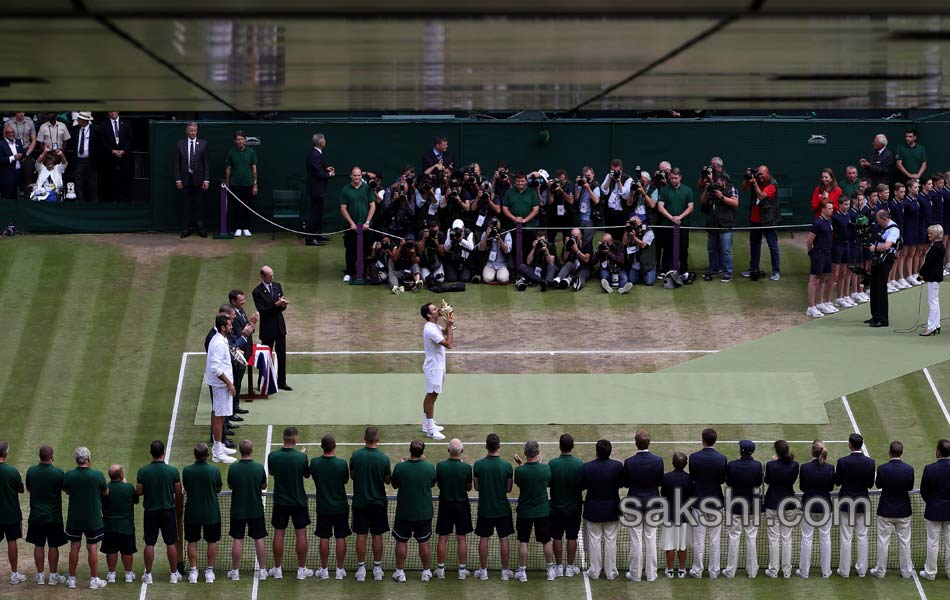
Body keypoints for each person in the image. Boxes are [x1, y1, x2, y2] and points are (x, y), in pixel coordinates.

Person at [267, 427, 313, 580]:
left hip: (280, 501)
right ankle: (301, 570)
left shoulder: (272, 456)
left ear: (284, 438)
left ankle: (277, 569)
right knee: (301, 534)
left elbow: (272, 472)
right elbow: (307, 475)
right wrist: (302, 456)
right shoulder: (301, 458)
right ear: (295, 439)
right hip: (298, 501)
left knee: (279, 534)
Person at [136, 440, 182, 585]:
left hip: (150, 512)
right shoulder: (173, 471)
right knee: (171, 543)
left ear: (151, 453)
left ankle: (148, 575)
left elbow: (139, 492)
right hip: (168, 512)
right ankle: (174, 575)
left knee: (149, 543)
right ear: (163, 453)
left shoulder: (143, 471)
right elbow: (178, 491)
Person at [390, 439, 437, 583]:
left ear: (410, 451)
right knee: (423, 542)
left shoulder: (400, 467)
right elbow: (432, 483)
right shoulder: (429, 467)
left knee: (401, 541)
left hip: (404, 513)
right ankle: (426, 572)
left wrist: (404, 464)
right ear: (423, 452)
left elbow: (394, 484)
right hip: (423, 513)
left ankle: (400, 573)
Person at [349, 427, 392, 582]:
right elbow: (388, 480)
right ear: (377, 439)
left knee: (361, 535)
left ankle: (361, 570)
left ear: (364, 438)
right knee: (377, 535)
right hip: (378, 504)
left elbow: (352, 475)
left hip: (360, 503)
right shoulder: (384, 458)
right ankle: (377, 569)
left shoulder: (356, 456)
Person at [62, 447, 108, 590]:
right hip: (92, 518)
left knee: (74, 546)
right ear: (88, 459)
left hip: (75, 518)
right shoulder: (98, 475)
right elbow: (105, 492)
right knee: (92, 547)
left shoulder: (69, 475)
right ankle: (94, 580)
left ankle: (72, 580)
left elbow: (66, 490)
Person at [622, 429, 663, 582]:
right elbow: (659, 481)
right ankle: (651, 574)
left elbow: (625, 483)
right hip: (652, 504)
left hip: (634, 505)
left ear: (635, 443)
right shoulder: (658, 461)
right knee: (651, 538)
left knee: (636, 540)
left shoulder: (629, 462)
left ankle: (635, 574)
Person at [512, 440, 556, 582]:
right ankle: (550, 571)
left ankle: (523, 572)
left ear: (525, 453)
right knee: (546, 541)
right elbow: (547, 480)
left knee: (523, 541)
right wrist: (540, 465)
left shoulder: (519, 471)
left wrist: (521, 465)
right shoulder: (545, 469)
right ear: (538, 453)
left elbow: (521, 481)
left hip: (525, 512)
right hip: (543, 512)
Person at [579, 439, 624, 580]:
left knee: (594, 541)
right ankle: (611, 573)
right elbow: (622, 483)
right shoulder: (617, 466)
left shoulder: (587, 467)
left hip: (593, 510)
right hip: (611, 510)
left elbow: (581, 486)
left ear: (597, 452)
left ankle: (594, 572)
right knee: (611, 541)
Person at [869, 441, 914, 578]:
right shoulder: (909, 469)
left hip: (885, 511)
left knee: (883, 542)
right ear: (901, 452)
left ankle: (880, 571)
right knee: (905, 542)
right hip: (903, 511)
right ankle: (906, 572)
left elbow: (878, 485)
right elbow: (910, 487)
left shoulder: (883, 469)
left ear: (890, 452)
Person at [473, 433, 514, 581]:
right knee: (503, 539)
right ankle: (504, 572)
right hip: (502, 509)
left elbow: (476, 487)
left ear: (486, 446)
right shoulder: (507, 466)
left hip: (485, 509)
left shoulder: (478, 465)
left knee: (484, 538)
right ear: (499, 446)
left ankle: (483, 572)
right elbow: (509, 489)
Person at [309, 434, 351, 580]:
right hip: (340, 507)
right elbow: (345, 480)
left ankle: (324, 570)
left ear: (322, 446)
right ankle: (339, 570)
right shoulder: (341, 463)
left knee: (324, 538)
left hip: (323, 508)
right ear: (334, 446)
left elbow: (312, 476)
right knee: (340, 538)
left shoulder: (314, 463)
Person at [226, 440, 268, 582]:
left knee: (237, 540)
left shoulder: (233, 469)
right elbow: (263, 485)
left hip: (238, 510)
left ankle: (235, 571)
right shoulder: (259, 468)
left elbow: (230, 485)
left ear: (240, 450)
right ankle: (262, 571)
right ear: (252, 450)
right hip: (256, 509)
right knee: (259, 539)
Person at [688, 428, 727, 579]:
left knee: (699, 539)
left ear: (702, 439)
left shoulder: (694, 457)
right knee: (715, 539)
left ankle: (697, 571)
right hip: (716, 503)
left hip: (699, 502)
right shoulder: (721, 458)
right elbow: (723, 479)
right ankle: (714, 571)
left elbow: (692, 476)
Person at [835, 433, 875, 578]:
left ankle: (844, 571)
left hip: (846, 503)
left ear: (850, 445)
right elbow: (870, 484)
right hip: (862, 504)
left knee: (846, 537)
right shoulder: (870, 463)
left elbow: (837, 482)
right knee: (862, 536)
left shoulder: (842, 462)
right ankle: (862, 570)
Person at [25, 445, 66, 586]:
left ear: (40, 456)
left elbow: (29, 488)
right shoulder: (59, 473)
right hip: (53, 517)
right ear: (51, 456)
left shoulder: (31, 471)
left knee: (39, 545)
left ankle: (41, 576)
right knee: (53, 545)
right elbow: (65, 489)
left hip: (36, 516)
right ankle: (53, 577)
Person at [182, 443, 222, 584]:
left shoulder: (187, 471)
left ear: (195, 455)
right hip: (211, 513)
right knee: (212, 541)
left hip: (192, 513)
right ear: (207, 455)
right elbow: (218, 488)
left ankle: (193, 572)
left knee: (191, 541)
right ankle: (209, 572)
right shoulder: (214, 470)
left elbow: (186, 487)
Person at [723, 440, 762, 579]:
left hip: (735, 506)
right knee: (751, 539)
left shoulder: (732, 465)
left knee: (734, 537)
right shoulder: (758, 466)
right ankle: (752, 571)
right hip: (752, 507)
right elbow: (758, 482)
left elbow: (728, 482)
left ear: (741, 451)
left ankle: (730, 571)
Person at [434, 438, 473, 580]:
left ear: (448, 450)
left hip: (445, 506)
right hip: (462, 506)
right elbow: (468, 488)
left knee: (443, 538)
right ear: (462, 451)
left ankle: (440, 570)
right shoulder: (467, 468)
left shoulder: (440, 466)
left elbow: (439, 485)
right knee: (461, 538)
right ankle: (462, 571)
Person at [796, 440, 834, 579]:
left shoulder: (805, 468)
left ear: (812, 452)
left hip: (808, 506)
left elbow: (802, 488)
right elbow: (830, 488)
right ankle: (826, 572)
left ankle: (804, 572)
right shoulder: (830, 468)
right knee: (825, 538)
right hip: (825, 507)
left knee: (806, 538)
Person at [548, 433, 583, 577]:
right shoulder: (580, 464)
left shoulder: (552, 464)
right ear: (572, 446)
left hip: (556, 508)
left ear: (560, 446)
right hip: (574, 509)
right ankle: (569, 568)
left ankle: (558, 567)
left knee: (556, 537)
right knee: (572, 537)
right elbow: (582, 485)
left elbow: (548, 483)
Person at [763, 440, 799, 579]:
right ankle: (787, 571)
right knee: (786, 538)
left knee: (774, 538)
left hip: (772, 505)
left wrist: (773, 462)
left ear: (776, 451)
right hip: (788, 505)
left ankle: (773, 571)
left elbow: (767, 480)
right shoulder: (795, 465)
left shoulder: (771, 465)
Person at [204, 314, 237, 463]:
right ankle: (217, 452)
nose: (231, 326)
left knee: (218, 413)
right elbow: (216, 368)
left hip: (220, 385)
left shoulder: (219, 339)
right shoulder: (218, 343)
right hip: (220, 386)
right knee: (219, 416)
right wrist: (229, 384)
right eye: (229, 325)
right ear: (223, 327)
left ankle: (219, 446)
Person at [253, 265, 292, 391]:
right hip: (267, 329)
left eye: (272, 275)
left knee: (282, 355)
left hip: (279, 326)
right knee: (266, 356)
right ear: (262, 276)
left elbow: (281, 306)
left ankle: (282, 382)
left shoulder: (277, 286)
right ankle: (262, 382)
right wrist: (276, 305)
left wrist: (283, 305)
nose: (272, 277)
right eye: (270, 276)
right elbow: (262, 311)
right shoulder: (257, 292)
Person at [421, 302, 454, 440]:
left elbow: (445, 332)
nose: (438, 310)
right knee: (432, 395)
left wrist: (449, 322)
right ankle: (430, 429)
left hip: (438, 365)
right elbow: (448, 344)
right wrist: (451, 327)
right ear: (429, 314)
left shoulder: (434, 326)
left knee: (433, 395)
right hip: (434, 367)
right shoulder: (430, 329)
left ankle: (426, 424)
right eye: (435, 309)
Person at [742, 165, 781, 281]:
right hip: (755, 219)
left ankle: (776, 271)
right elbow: (744, 188)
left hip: (769, 220)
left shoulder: (772, 184)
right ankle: (753, 268)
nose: (760, 177)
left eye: (762, 174)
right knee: (754, 245)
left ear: (767, 173)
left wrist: (754, 183)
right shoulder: (756, 179)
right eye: (758, 174)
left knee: (773, 246)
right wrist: (747, 177)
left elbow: (761, 195)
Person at [919, 438, 950, 580]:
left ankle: (930, 573)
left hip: (933, 511)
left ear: (938, 451)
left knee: (932, 542)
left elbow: (924, 491)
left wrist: (932, 503)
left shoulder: (929, 469)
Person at [101, 464, 138, 584]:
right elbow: (136, 500)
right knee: (127, 551)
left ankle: (111, 574)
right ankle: (128, 574)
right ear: (121, 475)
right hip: (126, 527)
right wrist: (125, 484)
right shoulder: (129, 488)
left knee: (111, 550)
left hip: (109, 526)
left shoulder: (105, 489)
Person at [700, 173, 739, 282]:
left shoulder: (731, 189)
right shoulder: (711, 189)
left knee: (726, 250)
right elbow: (702, 202)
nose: (716, 184)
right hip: (713, 224)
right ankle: (713, 269)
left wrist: (721, 197)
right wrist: (706, 190)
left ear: (723, 181)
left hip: (726, 225)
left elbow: (735, 203)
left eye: (717, 182)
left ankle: (728, 273)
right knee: (712, 249)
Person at [660, 451, 693, 579]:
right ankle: (682, 570)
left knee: (669, 544)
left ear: (673, 463)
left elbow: (663, 493)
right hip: (685, 516)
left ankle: (669, 570)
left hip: (670, 516)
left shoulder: (666, 478)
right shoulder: (690, 479)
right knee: (682, 544)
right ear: (685, 464)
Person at [865, 209, 901, 328]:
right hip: (878, 259)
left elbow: (887, 246)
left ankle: (883, 318)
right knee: (874, 286)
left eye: (879, 221)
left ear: (885, 219)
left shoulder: (893, 230)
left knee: (880, 287)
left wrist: (874, 248)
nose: (878, 223)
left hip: (885, 260)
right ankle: (875, 315)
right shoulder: (884, 228)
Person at [174, 122, 210, 238]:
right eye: (190, 130)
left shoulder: (203, 143)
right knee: (186, 206)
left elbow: (206, 163)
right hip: (185, 180)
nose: (192, 132)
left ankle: (201, 228)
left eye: (194, 130)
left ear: (197, 131)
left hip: (199, 179)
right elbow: (177, 163)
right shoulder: (180, 144)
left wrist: (206, 180)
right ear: (187, 131)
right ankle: (186, 229)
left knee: (200, 205)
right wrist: (178, 180)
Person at [657, 167, 694, 274]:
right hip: (667, 225)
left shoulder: (687, 190)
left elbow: (690, 207)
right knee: (667, 248)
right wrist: (672, 218)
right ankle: (665, 270)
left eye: (676, 178)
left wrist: (679, 218)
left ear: (680, 177)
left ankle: (683, 271)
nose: (673, 180)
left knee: (683, 248)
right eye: (672, 178)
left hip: (683, 225)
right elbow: (660, 207)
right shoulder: (664, 190)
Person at [0, 441, 26, 584]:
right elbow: (21, 489)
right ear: (6, 453)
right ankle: (14, 574)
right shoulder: (12, 471)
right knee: (12, 541)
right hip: (11, 514)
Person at [224, 131, 257, 237]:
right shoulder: (231, 152)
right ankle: (238, 228)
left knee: (247, 206)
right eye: (238, 139)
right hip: (234, 184)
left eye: (242, 139)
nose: (240, 141)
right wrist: (228, 184)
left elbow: (254, 168)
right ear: (235, 141)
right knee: (236, 207)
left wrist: (255, 184)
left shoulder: (251, 152)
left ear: (245, 140)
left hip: (248, 184)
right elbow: (228, 168)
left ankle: (246, 228)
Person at [806, 200, 835, 318]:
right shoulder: (817, 223)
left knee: (823, 279)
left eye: (832, 209)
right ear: (823, 210)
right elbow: (809, 240)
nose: (831, 211)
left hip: (828, 253)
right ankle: (811, 307)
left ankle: (820, 303)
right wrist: (810, 252)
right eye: (829, 209)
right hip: (818, 254)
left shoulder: (830, 221)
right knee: (814, 279)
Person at [305, 133, 335, 246]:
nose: (325, 142)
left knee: (318, 213)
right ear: (321, 143)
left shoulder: (315, 154)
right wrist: (330, 174)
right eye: (324, 140)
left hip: (317, 189)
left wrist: (326, 169)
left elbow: (317, 168)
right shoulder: (315, 155)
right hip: (316, 189)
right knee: (314, 214)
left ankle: (317, 235)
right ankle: (310, 239)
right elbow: (317, 173)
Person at [99, 111, 133, 202]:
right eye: (110, 111)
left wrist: (124, 150)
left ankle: (124, 201)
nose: (112, 113)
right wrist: (111, 151)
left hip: (123, 157)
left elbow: (130, 139)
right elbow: (102, 141)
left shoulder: (126, 123)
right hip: (110, 158)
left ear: (118, 111)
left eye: (114, 110)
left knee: (124, 180)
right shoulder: (103, 124)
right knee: (110, 181)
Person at [68, 112, 101, 202]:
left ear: (85, 121)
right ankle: (80, 203)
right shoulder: (75, 129)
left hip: (91, 161)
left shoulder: (96, 130)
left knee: (92, 184)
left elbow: (100, 145)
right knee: (78, 183)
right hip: (78, 160)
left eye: (79, 119)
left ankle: (94, 205)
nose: (77, 120)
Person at [919, 224, 945, 336]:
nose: (929, 235)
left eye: (931, 233)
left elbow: (929, 263)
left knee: (932, 302)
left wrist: (921, 273)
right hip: (935, 276)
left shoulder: (937, 247)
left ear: (937, 235)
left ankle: (931, 327)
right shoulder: (937, 246)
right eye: (929, 233)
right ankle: (936, 324)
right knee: (935, 301)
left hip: (933, 277)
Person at [0, 125, 25, 199]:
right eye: (9, 132)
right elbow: (0, 159)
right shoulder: (1, 144)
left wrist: (22, 156)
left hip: (18, 173)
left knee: (17, 196)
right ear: (5, 134)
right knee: (7, 196)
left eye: (12, 132)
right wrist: (13, 158)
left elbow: (22, 152)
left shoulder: (18, 141)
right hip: (7, 175)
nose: (11, 134)